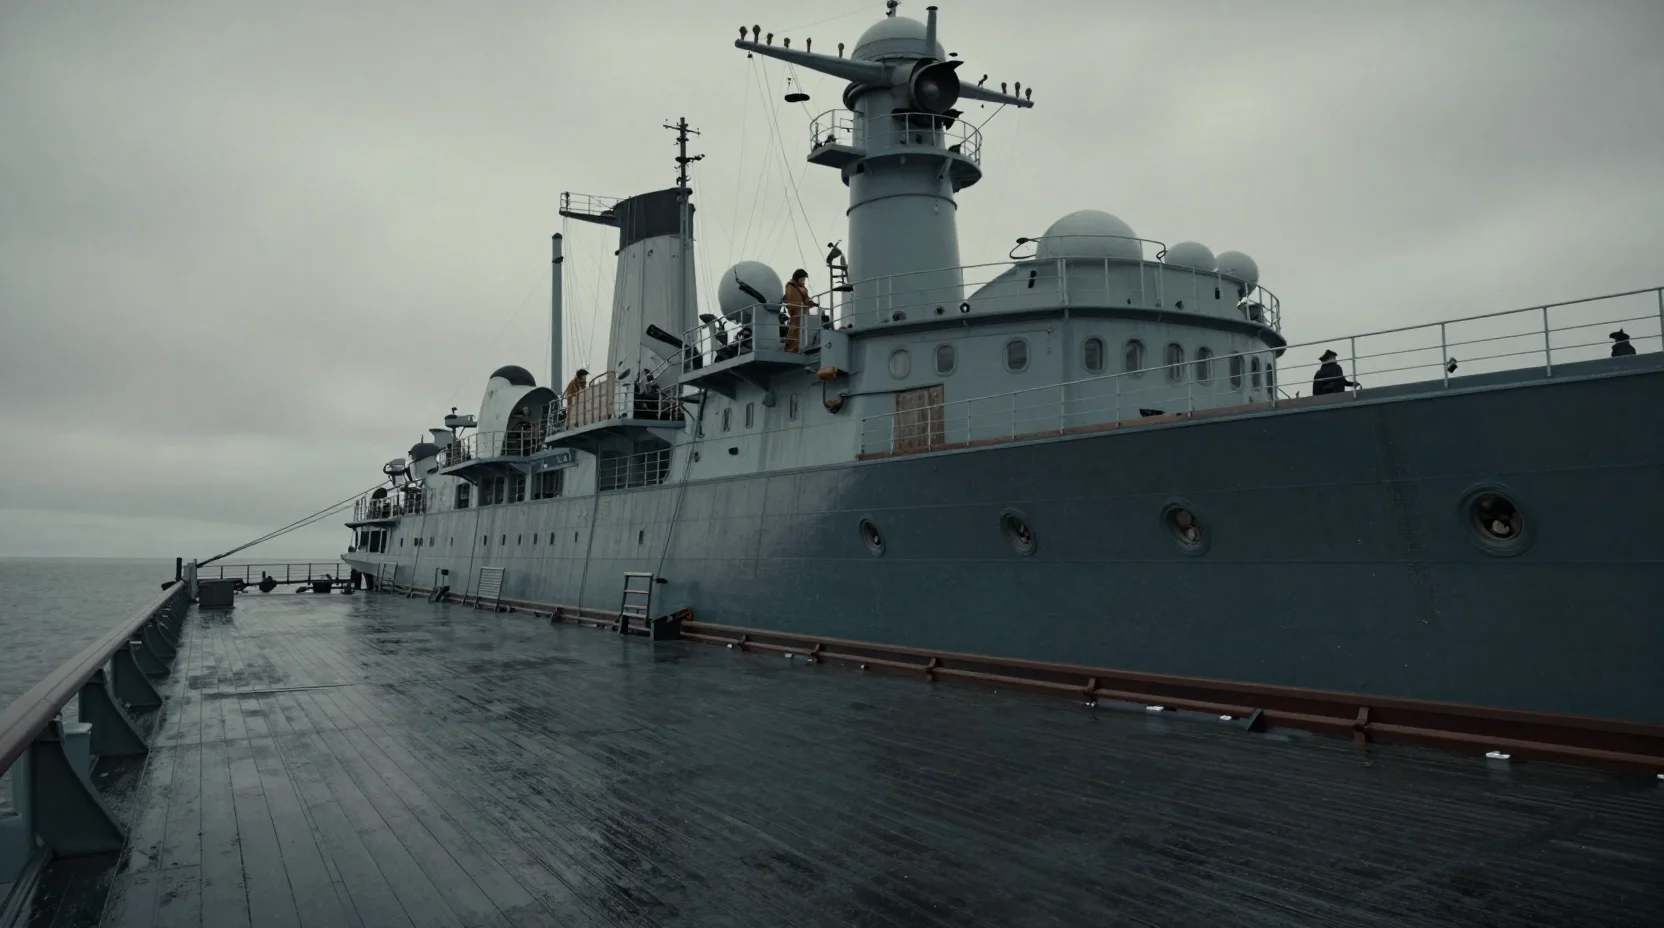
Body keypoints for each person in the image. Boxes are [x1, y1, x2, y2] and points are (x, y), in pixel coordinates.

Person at [782, 269, 818, 353]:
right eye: (802, 279)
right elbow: (793, 300)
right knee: (795, 331)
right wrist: (802, 305)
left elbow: (805, 298)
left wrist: (811, 303)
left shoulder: (801, 288)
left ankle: (799, 347)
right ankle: (791, 349)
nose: (803, 281)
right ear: (797, 278)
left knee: (802, 330)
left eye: (804, 279)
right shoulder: (791, 287)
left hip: (803, 312)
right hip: (796, 313)